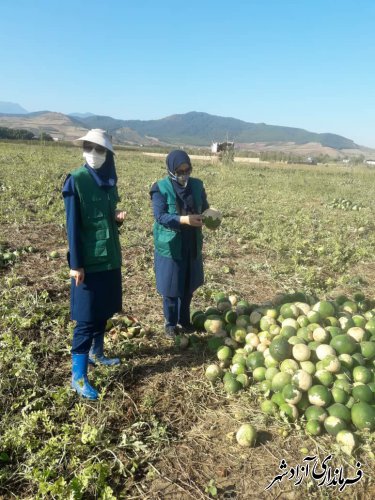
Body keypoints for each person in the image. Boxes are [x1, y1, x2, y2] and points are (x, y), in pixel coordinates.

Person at [62, 129, 125, 400]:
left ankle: (97, 354)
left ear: (107, 154)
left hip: (109, 257)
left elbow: (106, 218)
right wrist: (76, 264)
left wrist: (117, 219)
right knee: (86, 319)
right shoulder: (76, 181)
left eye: (99, 149)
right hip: (87, 262)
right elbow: (73, 226)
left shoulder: (109, 180)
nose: (93, 154)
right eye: (89, 147)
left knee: (104, 311)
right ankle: (78, 376)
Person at [150, 150, 209, 338]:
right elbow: (160, 216)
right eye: (180, 170)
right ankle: (170, 323)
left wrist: (211, 217)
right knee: (171, 287)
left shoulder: (197, 185)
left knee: (187, 284)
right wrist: (184, 220)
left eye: (187, 170)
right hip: (171, 244)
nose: (184, 174)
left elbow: (205, 207)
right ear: (171, 169)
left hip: (191, 242)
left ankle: (185, 320)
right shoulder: (159, 188)